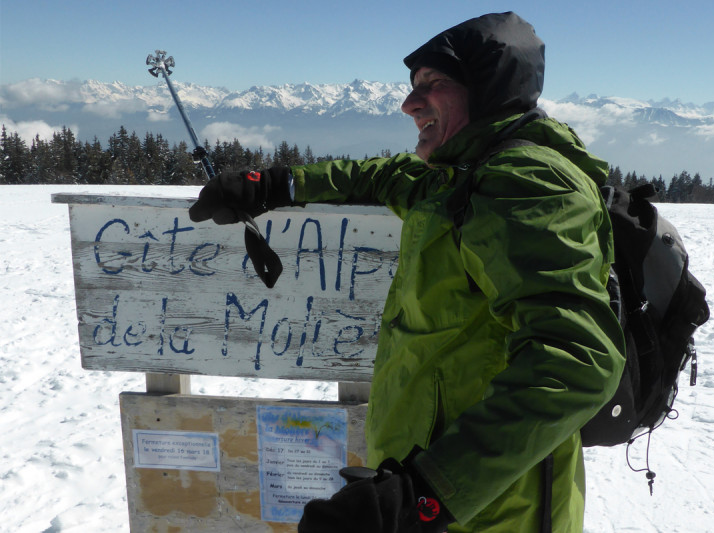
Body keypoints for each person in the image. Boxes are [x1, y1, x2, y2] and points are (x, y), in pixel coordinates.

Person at [190, 11, 625, 533]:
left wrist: (425, 494)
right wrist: (273, 185)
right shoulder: (454, 175)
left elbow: (578, 359)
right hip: (437, 493)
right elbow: (380, 175)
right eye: (412, 86)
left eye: (433, 84)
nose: (409, 104)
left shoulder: (528, 185)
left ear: (487, 91)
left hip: (494, 508)